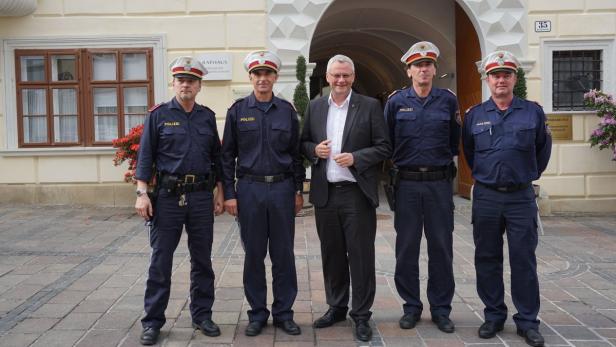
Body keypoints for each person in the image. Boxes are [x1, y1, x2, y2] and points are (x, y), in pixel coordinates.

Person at [462, 50, 552, 347]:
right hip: (487, 196)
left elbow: (542, 150)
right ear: (487, 79)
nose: (501, 79)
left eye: (506, 74)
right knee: (487, 258)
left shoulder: (533, 112)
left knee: (523, 260)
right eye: (495, 75)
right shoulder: (475, 115)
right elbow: (469, 153)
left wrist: (523, 174)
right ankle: (493, 316)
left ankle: (527, 321)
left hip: (520, 197)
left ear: (515, 78)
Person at [300, 54, 391, 342]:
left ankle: (361, 315)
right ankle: (336, 307)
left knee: (361, 257)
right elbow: (302, 142)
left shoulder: (370, 106)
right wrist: (315, 150)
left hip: (356, 194)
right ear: (327, 77)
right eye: (336, 75)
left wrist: (356, 157)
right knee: (332, 255)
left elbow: (384, 147)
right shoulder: (315, 107)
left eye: (346, 76)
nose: (341, 80)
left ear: (353, 77)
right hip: (326, 194)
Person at [134, 56, 225, 345]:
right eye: (181, 80)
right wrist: (141, 194)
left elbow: (216, 158)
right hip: (167, 199)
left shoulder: (207, 116)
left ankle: (202, 315)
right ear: (173, 83)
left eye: (191, 80)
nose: (186, 84)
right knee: (160, 261)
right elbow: (145, 157)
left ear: (199, 86)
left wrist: (220, 192)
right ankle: (153, 322)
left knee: (202, 260)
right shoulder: (158, 115)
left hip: (200, 197)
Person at [221, 50, 305, 337]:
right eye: (257, 74)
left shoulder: (287, 111)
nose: (262, 79)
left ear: (275, 77)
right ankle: (257, 313)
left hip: (282, 189)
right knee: (254, 255)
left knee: (284, 255)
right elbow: (226, 156)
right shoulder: (237, 111)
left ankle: (284, 313)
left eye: (268, 73)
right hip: (250, 190)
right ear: (251, 78)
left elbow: (295, 156)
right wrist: (230, 195)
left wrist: (297, 190)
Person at [384, 41, 460, 333]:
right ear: (409, 71)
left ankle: (441, 309)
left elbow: (455, 141)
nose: (423, 69)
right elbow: (387, 141)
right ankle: (411, 307)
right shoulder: (395, 102)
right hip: (407, 185)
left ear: (434, 70)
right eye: (418, 65)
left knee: (442, 247)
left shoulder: (448, 101)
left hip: (439, 184)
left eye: (428, 64)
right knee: (406, 248)